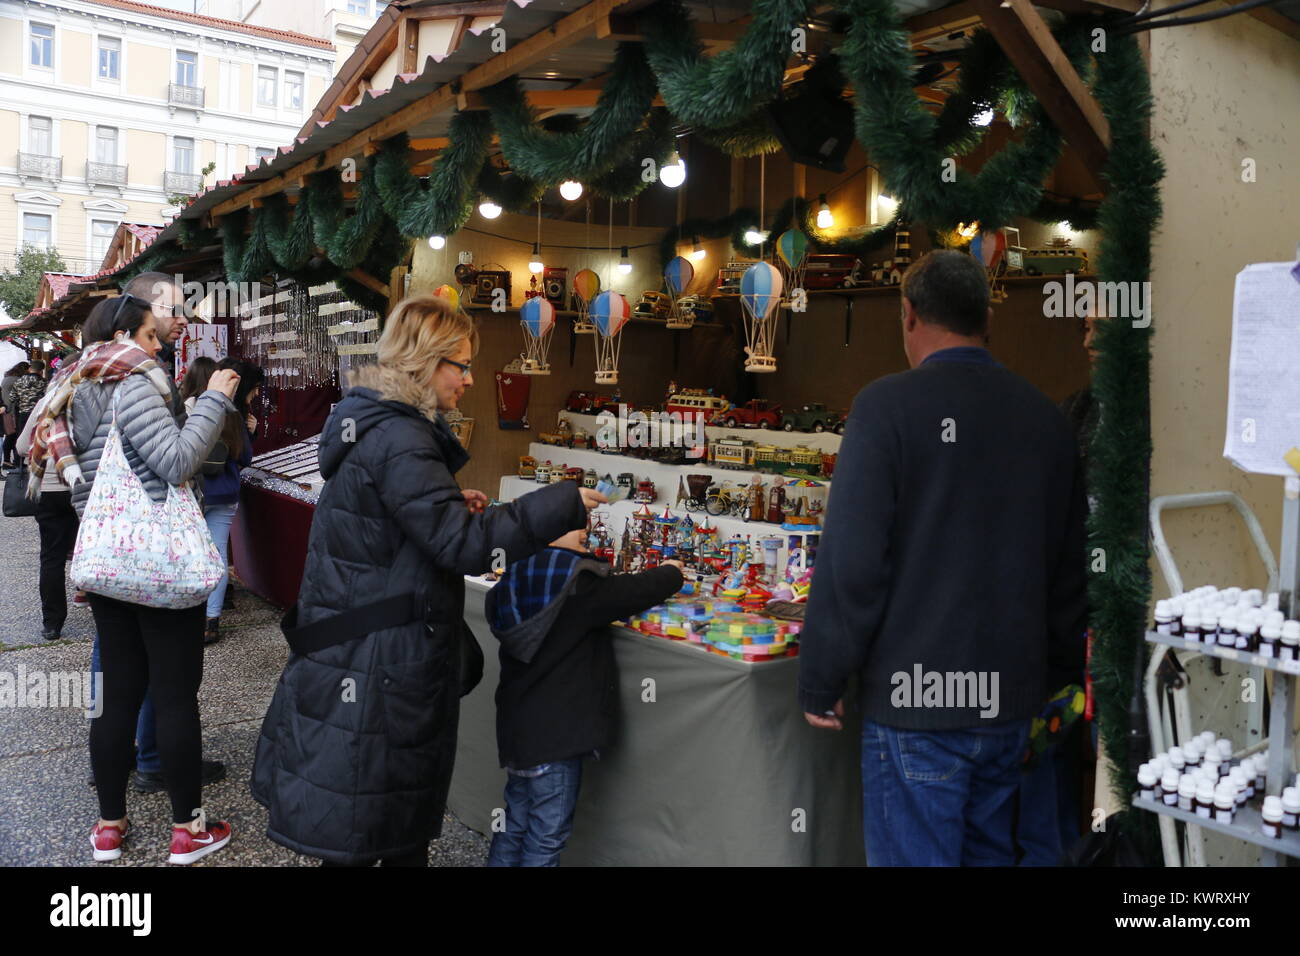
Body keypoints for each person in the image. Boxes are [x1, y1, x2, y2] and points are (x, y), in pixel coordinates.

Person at [252, 294, 604, 867]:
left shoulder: (375, 425)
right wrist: (556, 507)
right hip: (378, 667)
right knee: (376, 829)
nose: (468, 380)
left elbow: (396, 523)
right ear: (424, 360)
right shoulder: (401, 437)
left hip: (356, 653)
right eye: (460, 365)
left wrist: (445, 503)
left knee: (362, 827)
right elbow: (463, 547)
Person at [797, 250, 1088, 867]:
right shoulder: (1046, 421)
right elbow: (1068, 573)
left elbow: (853, 561)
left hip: (915, 705)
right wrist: (1054, 679)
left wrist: (824, 675)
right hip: (1009, 702)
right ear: (988, 317)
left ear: (907, 316)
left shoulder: (885, 408)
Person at [41, 292, 241, 864]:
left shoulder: (75, 386)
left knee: (116, 697)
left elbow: (84, 478)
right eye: (153, 335)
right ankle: (187, 830)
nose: (162, 345)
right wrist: (212, 402)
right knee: (174, 696)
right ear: (126, 334)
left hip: (108, 562)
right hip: (155, 564)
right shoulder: (132, 382)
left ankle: (109, 827)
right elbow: (176, 462)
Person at [485, 527, 684, 866]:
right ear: (551, 531)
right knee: (546, 836)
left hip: (518, 727)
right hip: (557, 735)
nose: (588, 528)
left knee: (515, 822)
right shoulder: (577, 585)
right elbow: (633, 591)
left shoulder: (516, 577)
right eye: (577, 521)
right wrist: (672, 572)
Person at [183, 356, 264, 643]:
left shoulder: (190, 409)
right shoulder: (233, 414)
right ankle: (211, 621)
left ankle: (188, 614)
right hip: (225, 492)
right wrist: (250, 434)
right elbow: (244, 457)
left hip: (195, 491)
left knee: (190, 553)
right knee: (218, 555)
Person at [16, 355, 83, 640]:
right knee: (89, 551)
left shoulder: (45, 404)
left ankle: (52, 622)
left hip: (49, 490)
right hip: (84, 488)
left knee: (52, 558)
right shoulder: (89, 402)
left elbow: (21, 446)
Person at [10, 360, 47, 466]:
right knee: (38, 437)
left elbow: (12, 398)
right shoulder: (43, 382)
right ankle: (37, 461)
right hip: (38, 414)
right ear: (41, 371)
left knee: (21, 436)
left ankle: (18, 462)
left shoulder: (19, 381)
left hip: (23, 414)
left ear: (30, 368)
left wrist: (22, 402)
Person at [2, 361, 28, 469]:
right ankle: (10, 461)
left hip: (6, 410)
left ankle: (9, 460)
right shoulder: (16, 380)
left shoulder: (7, 378)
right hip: (12, 411)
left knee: (10, 436)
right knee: (13, 436)